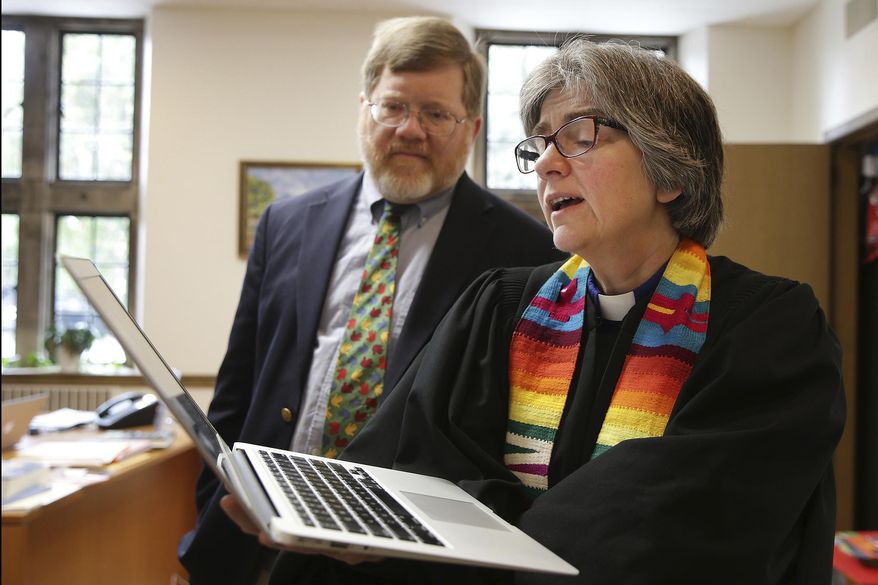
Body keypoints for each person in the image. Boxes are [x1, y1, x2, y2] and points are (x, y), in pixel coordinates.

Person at [235, 38, 846, 584]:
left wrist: (454, 532)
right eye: (540, 145)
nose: (548, 165)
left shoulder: (768, 327)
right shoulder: (499, 308)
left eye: (581, 136)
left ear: (671, 172)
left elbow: (664, 525)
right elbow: (404, 468)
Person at [178, 16, 564, 585]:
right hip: (257, 541)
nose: (411, 129)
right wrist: (215, 503)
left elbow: (513, 439)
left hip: (409, 562)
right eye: (393, 107)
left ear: (473, 127)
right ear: (364, 108)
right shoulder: (287, 223)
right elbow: (240, 386)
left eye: (436, 113)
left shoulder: (526, 254)